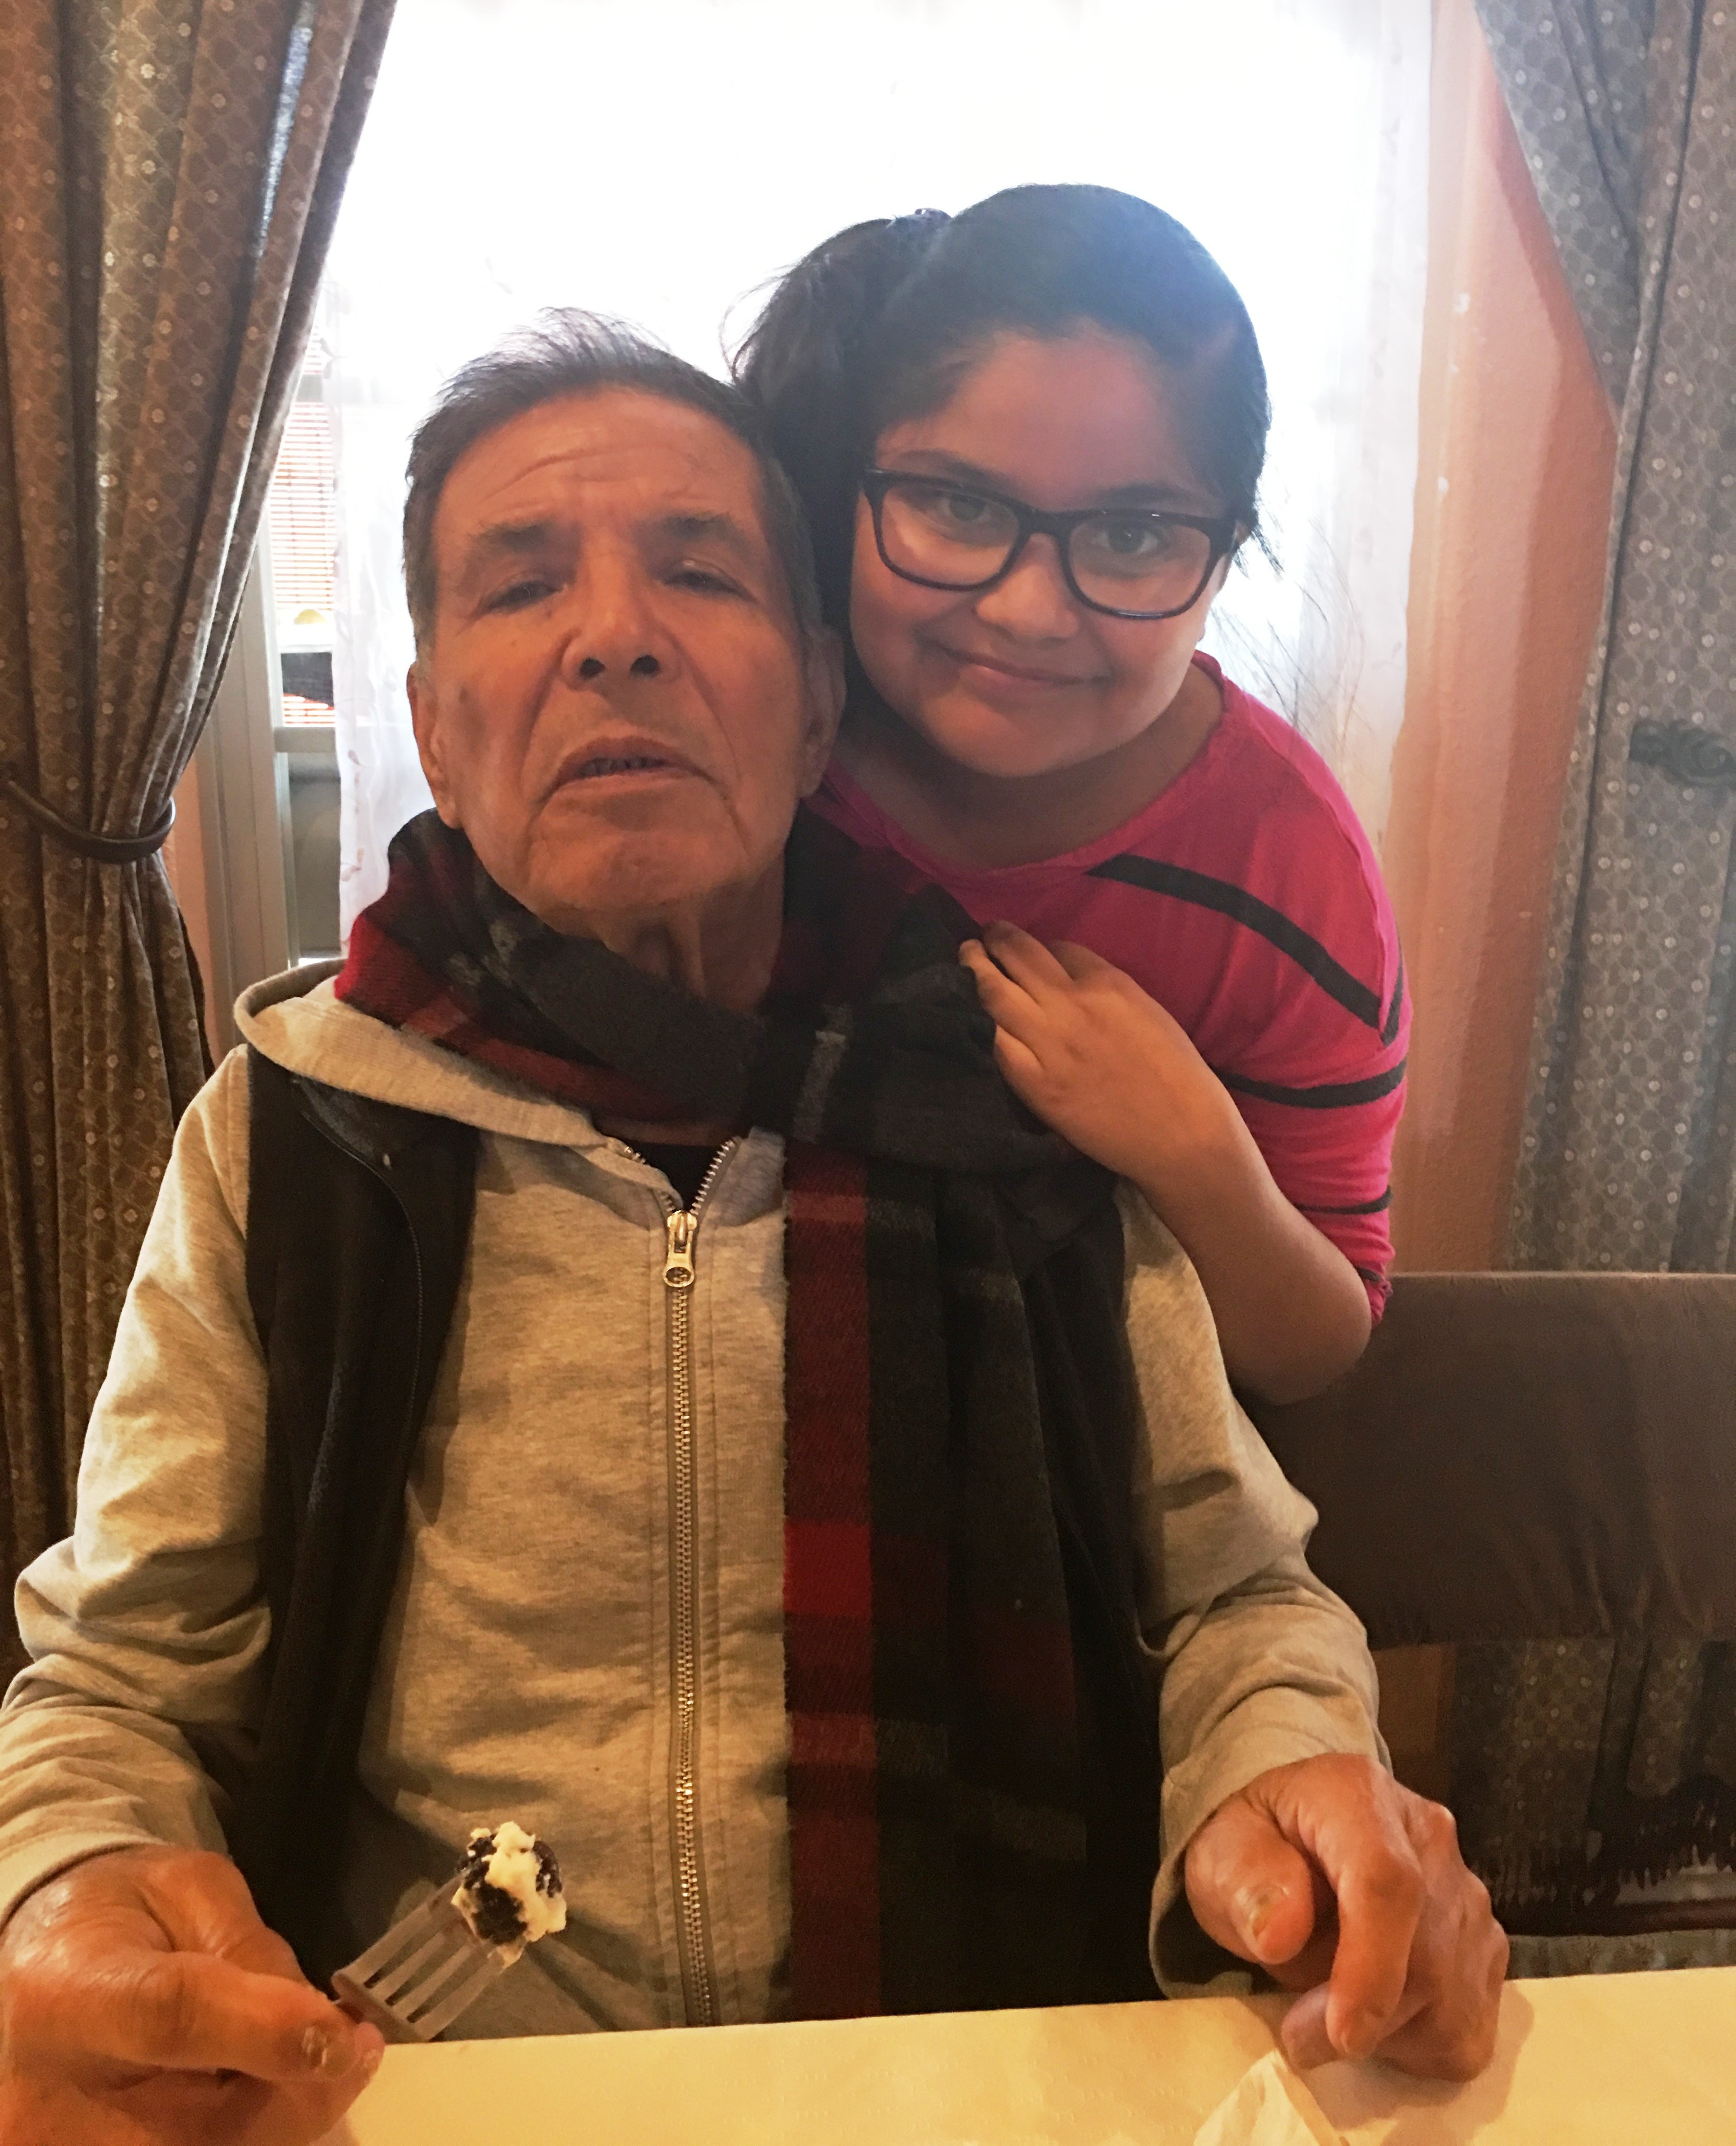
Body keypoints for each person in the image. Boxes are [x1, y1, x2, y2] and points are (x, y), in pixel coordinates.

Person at [0, 316, 1501, 2146]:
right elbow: (124, 1676)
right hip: (433, 2097)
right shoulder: (298, 1135)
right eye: (521, 584)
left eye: (698, 572)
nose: (613, 634)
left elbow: (1233, 1598)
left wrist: (1291, 1774)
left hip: (983, 2089)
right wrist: (72, 1886)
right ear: (436, 735)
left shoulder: (1019, 1097)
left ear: (814, 712)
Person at [734, 186, 1409, 1404]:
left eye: (1134, 535)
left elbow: (1317, 1346)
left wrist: (1192, 1149)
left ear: (1227, 554)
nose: (1028, 610)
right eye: (958, 505)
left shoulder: (1288, 876)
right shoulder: (755, 759)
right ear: (853, 494)